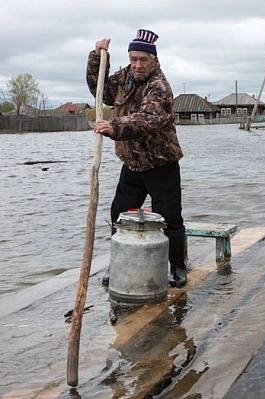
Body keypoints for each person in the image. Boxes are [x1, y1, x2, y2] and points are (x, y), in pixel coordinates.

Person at [86, 29, 188, 288]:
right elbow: (101, 91)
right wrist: (98, 57)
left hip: (160, 162)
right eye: (133, 59)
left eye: (143, 59)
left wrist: (115, 126)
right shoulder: (125, 77)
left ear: (153, 60)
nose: (137, 65)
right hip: (132, 162)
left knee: (169, 217)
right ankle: (119, 263)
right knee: (119, 215)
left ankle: (177, 267)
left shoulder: (159, 86)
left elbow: (150, 119)